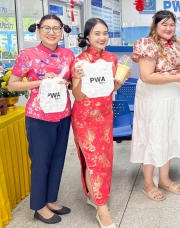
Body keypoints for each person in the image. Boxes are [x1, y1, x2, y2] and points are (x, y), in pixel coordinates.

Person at [8, 15, 74, 224]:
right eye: (46, 28)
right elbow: (13, 85)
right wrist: (38, 82)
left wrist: (68, 83)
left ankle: (49, 199)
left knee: (57, 159)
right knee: (41, 161)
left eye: (56, 28)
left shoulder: (68, 55)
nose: (52, 32)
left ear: (62, 31)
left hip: (63, 114)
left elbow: (72, 84)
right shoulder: (28, 55)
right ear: (38, 30)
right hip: (39, 116)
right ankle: (38, 206)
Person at [130, 10, 180, 202]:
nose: (168, 28)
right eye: (164, 24)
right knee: (152, 136)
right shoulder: (146, 43)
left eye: (171, 24)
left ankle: (165, 179)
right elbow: (146, 76)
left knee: (168, 134)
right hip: (153, 97)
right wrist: (176, 77)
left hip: (174, 95)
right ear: (155, 25)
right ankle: (148, 183)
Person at [71, 18, 126, 228]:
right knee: (94, 161)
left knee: (104, 160)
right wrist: (79, 78)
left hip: (104, 116)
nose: (102, 37)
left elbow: (108, 90)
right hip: (84, 118)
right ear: (87, 36)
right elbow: (77, 95)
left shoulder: (112, 59)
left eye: (105, 33)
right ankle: (102, 209)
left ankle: (93, 197)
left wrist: (119, 81)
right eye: (96, 33)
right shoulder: (79, 61)